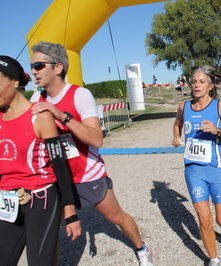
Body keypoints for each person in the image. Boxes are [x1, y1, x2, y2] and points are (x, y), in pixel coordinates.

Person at [29, 41, 154, 266]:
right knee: (50, 232)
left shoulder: (79, 95)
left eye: (39, 65)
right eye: (32, 66)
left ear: (57, 67)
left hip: (87, 174)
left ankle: (142, 248)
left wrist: (60, 115)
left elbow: (97, 139)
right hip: (55, 178)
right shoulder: (35, 100)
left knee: (116, 217)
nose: (34, 71)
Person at [0, 55, 80, 265]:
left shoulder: (40, 116)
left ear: (14, 81)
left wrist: (69, 209)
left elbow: (60, 164)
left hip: (40, 198)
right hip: (8, 200)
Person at [171, 66, 221, 266]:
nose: (197, 85)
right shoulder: (184, 107)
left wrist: (218, 131)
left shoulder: (220, 106)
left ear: (210, 86)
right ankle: (214, 259)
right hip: (193, 170)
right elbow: (177, 124)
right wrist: (176, 137)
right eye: (194, 81)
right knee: (204, 219)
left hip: (216, 169)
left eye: (201, 82)